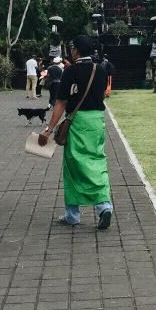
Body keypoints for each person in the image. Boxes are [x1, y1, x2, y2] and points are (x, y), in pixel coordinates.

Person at [40, 35, 113, 229]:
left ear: (76, 51)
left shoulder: (70, 72)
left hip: (78, 121)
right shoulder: (101, 70)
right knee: (97, 161)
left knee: (74, 165)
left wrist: (49, 129)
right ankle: (104, 206)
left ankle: (72, 214)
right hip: (97, 121)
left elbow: (61, 102)